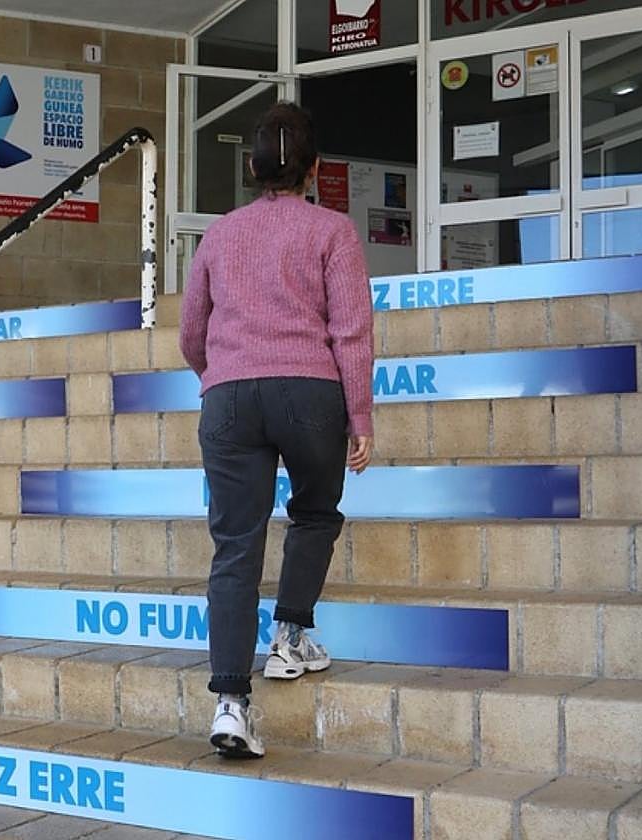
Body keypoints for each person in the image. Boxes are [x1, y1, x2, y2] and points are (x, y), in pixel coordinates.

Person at [178, 102, 375, 759]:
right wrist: (361, 416)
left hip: (228, 397)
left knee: (236, 545)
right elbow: (350, 331)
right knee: (316, 511)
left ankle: (232, 705)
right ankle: (290, 636)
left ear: (252, 168)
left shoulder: (218, 235)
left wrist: (222, 375)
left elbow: (190, 333)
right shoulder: (333, 230)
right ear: (314, 170)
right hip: (310, 393)